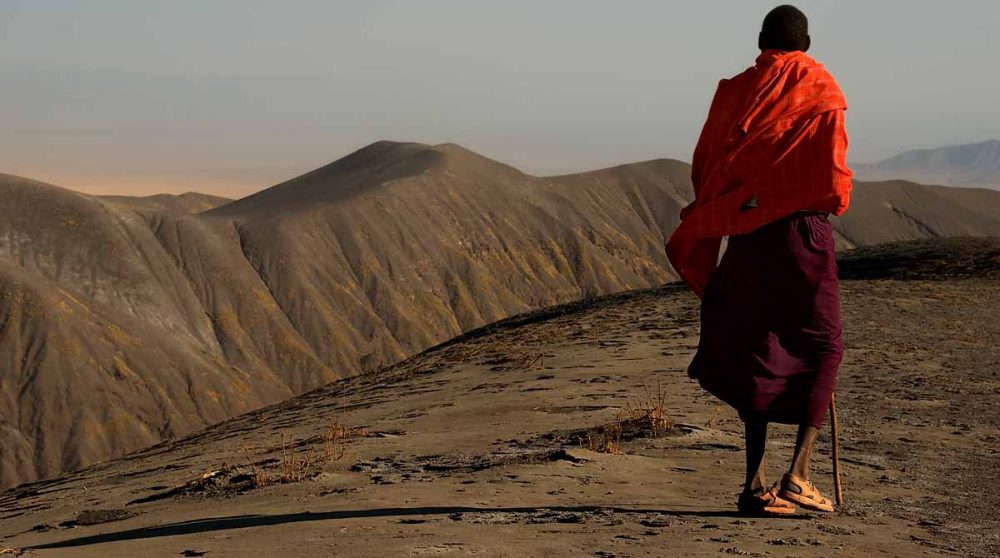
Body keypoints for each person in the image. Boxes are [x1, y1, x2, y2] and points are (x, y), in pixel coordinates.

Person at [665, 5, 852, 515]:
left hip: (747, 235)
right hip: (801, 236)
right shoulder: (821, 87)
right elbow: (833, 176)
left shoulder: (734, 92)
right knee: (824, 343)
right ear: (806, 44)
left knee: (757, 346)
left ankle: (754, 485)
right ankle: (798, 475)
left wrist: (739, 207)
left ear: (761, 41)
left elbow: (707, 165)